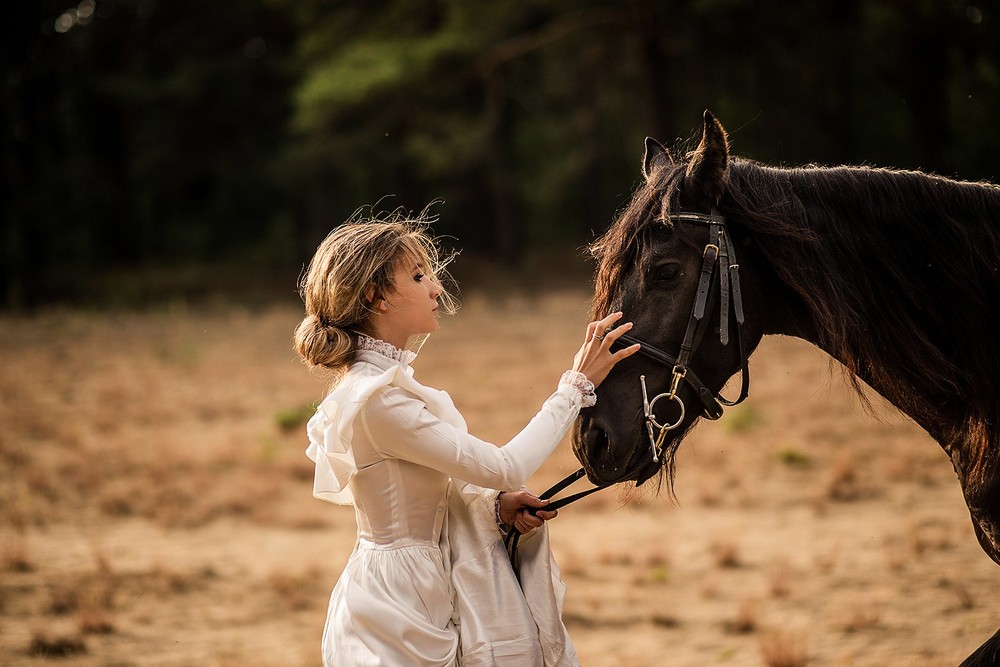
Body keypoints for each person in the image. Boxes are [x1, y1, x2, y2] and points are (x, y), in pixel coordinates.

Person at [293, 209, 639, 666]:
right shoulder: (376, 400)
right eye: (418, 276)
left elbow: (431, 490)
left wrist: (496, 507)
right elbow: (504, 467)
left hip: (427, 583)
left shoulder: (386, 388)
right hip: (395, 603)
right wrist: (575, 387)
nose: (436, 288)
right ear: (377, 297)